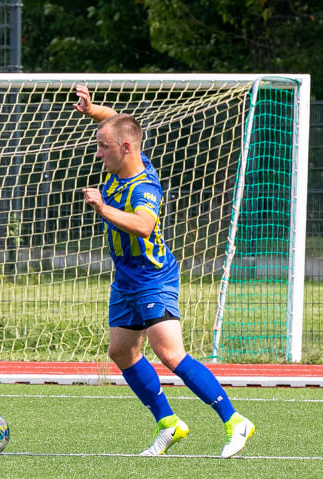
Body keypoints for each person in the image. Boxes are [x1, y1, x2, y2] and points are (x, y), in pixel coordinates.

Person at [73, 85, 255, 458]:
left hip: (153, 276)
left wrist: (101, 207)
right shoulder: (124, 155)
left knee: (170, 354)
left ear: (125, 149)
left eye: (102, 146)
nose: (98, 152)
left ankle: (235, 420)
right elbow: (117, 122)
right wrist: (93, 111)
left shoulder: (145, 188)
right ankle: (169, 423)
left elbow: (142, 225)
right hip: (125, 279)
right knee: (121, 352)